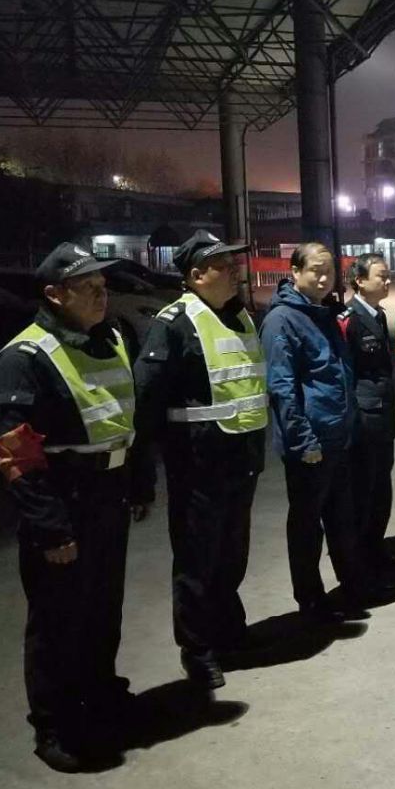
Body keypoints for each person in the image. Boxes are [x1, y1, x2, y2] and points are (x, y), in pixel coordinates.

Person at [0, 242, 147, 772]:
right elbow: (18, 457)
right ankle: (53, 726)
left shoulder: (111, 338)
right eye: (88, 288)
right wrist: (52, 529)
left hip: (108, 496)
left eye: (104, 286)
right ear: (55, 295)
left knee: (102, 609)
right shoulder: (24, 359)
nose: (102, 296)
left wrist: (138, 483)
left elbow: (124, 420)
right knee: (57, 622)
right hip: (64, 504)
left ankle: (100, 696)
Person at [134, 230, 266, 690]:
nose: (234, 271)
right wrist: (142, 473)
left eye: (234, 263)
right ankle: (197, 649)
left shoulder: (240, 316)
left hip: (241, 458)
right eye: (223, 265)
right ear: (195, 275)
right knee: (197, 561)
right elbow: (147, 400)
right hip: (198, 464)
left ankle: (229, 630)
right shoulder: (173, 323)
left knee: (232, 554)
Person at [261, 242, 372, 621]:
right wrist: (303, 439)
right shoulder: (282, 320)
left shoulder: (322, 312)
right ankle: (310, 600)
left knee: (342, 518)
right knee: (307, 526)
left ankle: (352, 586)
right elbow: (282, 386)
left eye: (329, 271)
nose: (324, 278)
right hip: (310, 444)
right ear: (295, 272)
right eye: (316, 271)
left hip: (337, 436)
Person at [338, 253, 395, 573]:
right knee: (363, 493)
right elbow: (345, 376)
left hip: (383, 417)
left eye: (388, 275)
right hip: (364, 421)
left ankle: (376, 550)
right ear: (360, 281)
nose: (387, 281)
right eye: (381, 276)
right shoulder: (348, 319)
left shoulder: (376, 315)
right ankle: (361, 562)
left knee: (381, 489)